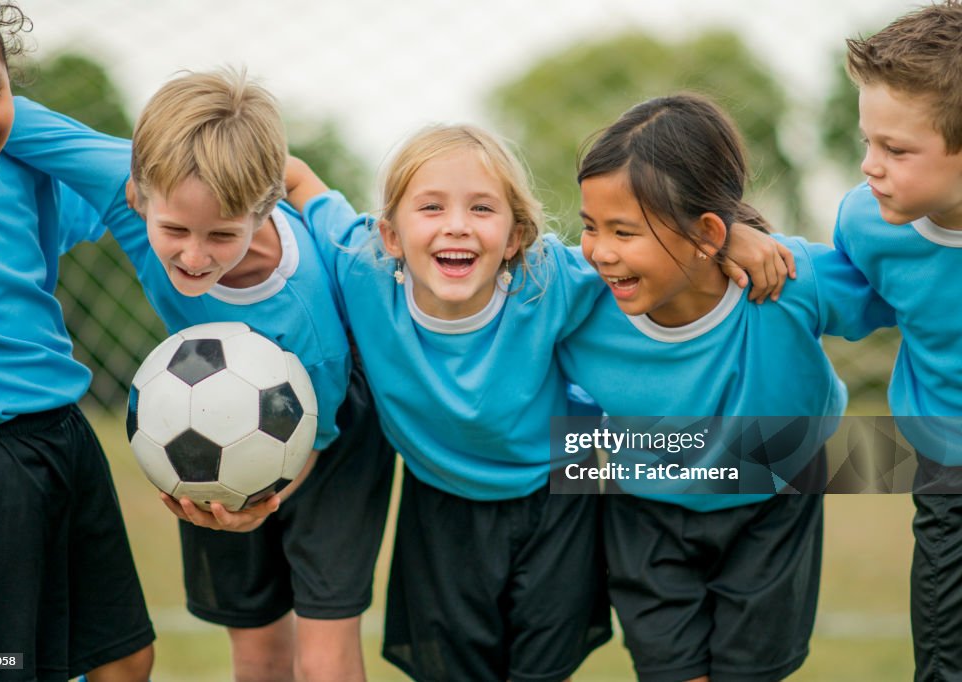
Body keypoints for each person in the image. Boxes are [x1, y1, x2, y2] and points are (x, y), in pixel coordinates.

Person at [283, 118, 796, 681]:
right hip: (441, 503)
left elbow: (652, 246)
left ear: (517, 236)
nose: (456, 226)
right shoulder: (361, 266)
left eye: (482, 209)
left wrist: (731, 233)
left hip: (560, 495)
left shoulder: (547, 278)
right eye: (431, 208)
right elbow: (298, 180)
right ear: (391, 236)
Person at [4, 72, 394, 682]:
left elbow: (312, 442)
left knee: (322, 657)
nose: (193, 256)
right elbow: (7, 114)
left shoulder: (307, 319)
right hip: (200, 417)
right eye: (175, 231)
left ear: (263, 210)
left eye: (222, 236)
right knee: (257, 647)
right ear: (138, 196)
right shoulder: (126, 184)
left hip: (331, 430)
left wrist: (263, 504)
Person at [557, 93, 896, 682]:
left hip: (773, 504)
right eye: (590, 227)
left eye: (624, 231)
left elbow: (906, 287)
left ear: (707, 231)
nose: (601, 251)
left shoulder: (787, 279)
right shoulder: (576, 294)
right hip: (645, 509)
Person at [0, 1, 155, 680]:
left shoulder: (27, 178)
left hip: (66, 436)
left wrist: (22, 126)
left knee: (122, 656)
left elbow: (138, 180)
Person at [833, 3, 962, 679]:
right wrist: (740, 243)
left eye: (896, 149)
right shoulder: (866, 221)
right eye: (867, 141)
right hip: (948, 469)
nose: (870, 166)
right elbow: (841, 297)